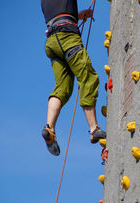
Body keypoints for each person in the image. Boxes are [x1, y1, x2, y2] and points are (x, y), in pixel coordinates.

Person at [41, 0, 106, 156]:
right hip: (67, 37)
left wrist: (79, 15)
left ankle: (49, 127)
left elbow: (60, 14)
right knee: (88, 77)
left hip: (52, 41)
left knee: (63, 87)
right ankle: (94, 128)